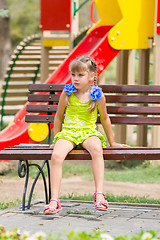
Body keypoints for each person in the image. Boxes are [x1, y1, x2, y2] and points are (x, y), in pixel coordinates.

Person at [44, 56, 127, 215]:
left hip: (88, 132)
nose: (75, 78)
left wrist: (113, 142)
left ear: (91, 76)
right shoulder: (67, 93)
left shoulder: (97, 95)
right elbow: (59, 117)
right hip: (69, 132)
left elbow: (104, 118)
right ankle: (54, 200)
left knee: (97, 149)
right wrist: (56, 139)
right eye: (73, 74)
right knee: (56, 155)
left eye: (80, 75)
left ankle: (100, 194)